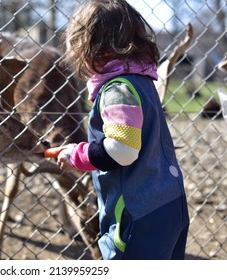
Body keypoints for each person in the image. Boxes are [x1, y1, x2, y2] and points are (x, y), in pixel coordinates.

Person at [56, 0, 189, 259]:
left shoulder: (118, 90)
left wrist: (77, 155)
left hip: (138, 212)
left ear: (89, 47)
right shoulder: (142, 81)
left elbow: (123, 150)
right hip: (170, 203)